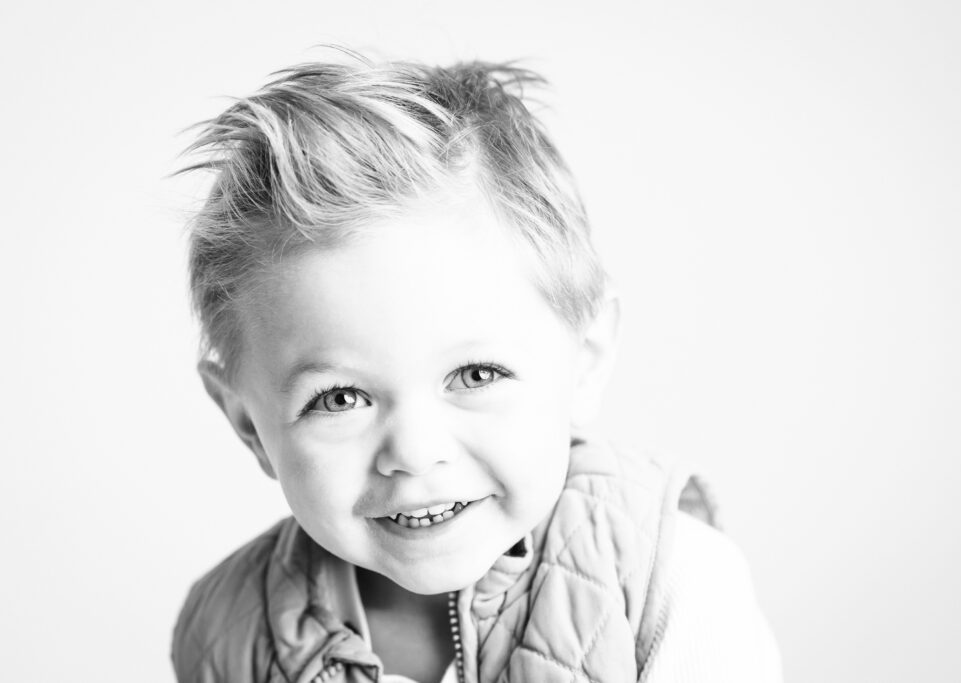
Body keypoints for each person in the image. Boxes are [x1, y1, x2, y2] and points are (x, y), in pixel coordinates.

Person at [171, 52, 783, 683]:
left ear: (587, 357)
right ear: (248, 423)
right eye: (341, 398)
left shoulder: (671, 579)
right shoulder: (226, 632)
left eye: (476, 375)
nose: (413, 452)